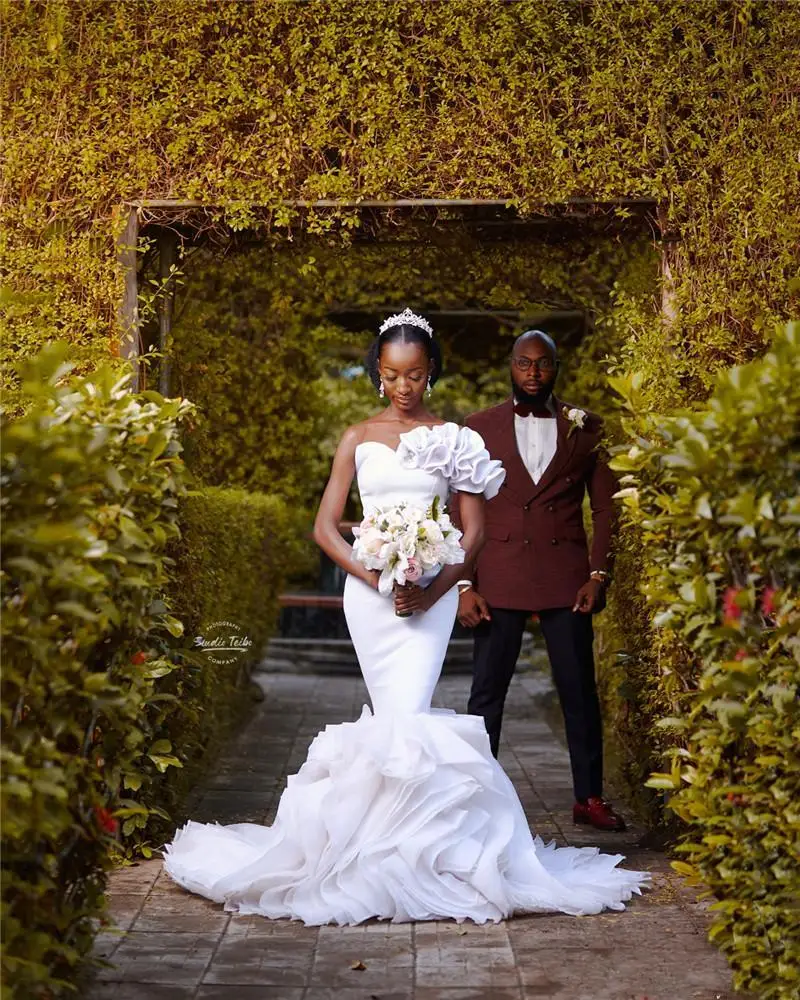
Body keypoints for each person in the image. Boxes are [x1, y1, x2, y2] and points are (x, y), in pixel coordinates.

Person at [162, 310, 648, 924]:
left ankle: (424, 854)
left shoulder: (456, 440)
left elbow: (472, 532)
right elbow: (324, 528)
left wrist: (432, 586)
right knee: (390, 716)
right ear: (377, 374)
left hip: (433, 596)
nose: (404, 387)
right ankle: (374, 853)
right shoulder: (356, 437)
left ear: (431, 374)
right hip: (369, 596)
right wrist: (374, 576)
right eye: (392, 375)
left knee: (410, 712)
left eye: (416, 375)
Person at [457, 329, 626, 832]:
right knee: (486, 695)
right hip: (498, 576)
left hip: (565, 576)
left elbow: (605, 507)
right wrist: (464, 585)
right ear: (510, 366)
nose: (533, 373)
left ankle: (589, 798)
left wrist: (598, 574)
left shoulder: (587, 427)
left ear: (557, 366)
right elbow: (459, 506)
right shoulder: (478, 427)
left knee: (579, 691)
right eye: (524, 363)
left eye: (543, 364)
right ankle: (476, 798)